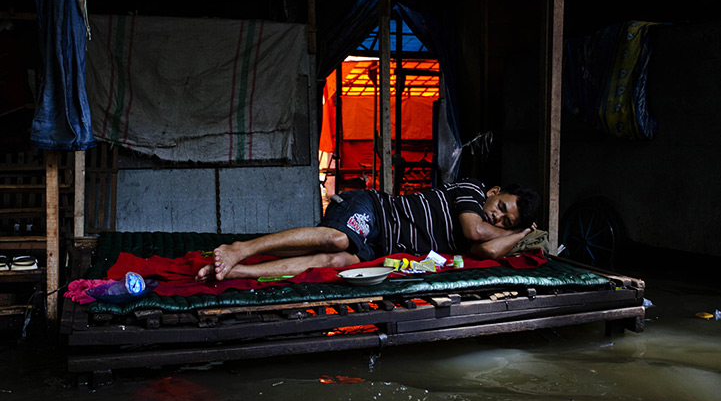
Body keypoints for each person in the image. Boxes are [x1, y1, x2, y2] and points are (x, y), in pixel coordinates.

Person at [196, 178, 540, 282]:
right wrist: (512, 233)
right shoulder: (473, 190)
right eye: (502, 209)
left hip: (380, 248)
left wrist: (521, 236)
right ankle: (241, 247)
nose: (497, 219)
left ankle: (237, 269)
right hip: (374, 209)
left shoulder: (492, 231)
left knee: (337, 261)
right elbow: (477, 235)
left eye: (506, 223)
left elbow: (488, 251)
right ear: (496, 192)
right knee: (337, 238)